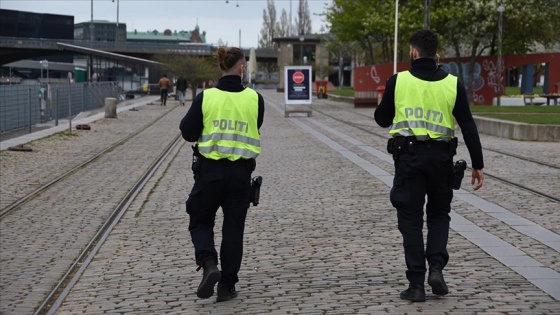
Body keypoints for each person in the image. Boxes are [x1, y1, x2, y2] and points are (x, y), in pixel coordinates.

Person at [374, 29, 484, 302]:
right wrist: (478, 164)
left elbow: (381, 119)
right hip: (441, 160)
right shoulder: (452, 84)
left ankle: (416, 285)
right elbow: (468, 126)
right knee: (438, 214)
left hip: (409, 160)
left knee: (410, 220)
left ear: (413, 52)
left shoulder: (397, 81)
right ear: (437, 55)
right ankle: (436, 266)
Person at [179, 47, 265, 302]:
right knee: (233, 229)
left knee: (200, 220)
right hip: (240, 175)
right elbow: (255, 125)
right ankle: (227, 286)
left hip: (210, 173)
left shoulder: (206, 98)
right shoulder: (255, 98)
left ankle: (208, 264)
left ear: (220, 68)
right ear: (241, 68)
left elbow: (188, 132)